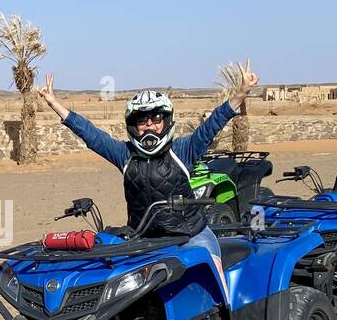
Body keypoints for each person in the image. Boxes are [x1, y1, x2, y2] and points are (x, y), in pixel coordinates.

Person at [36, 63, 254, 261]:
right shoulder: (125, 155)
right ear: (134, 124)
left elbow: (212, 125)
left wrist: (241, 93)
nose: (149, 124)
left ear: (166, 120)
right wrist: (54, 103)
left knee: (213, 278)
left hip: (190, 236)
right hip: (144, 238)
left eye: (156, 118)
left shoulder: (182, 150)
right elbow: (90, 134)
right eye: (142, 119)